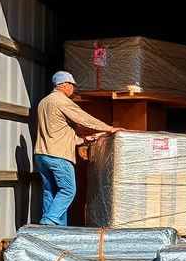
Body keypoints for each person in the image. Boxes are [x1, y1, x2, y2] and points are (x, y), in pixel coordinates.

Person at [34, 71, 122, 226]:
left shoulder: (43, 102)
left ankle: (54, 228)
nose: (73, 89)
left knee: (51, 191)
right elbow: (83, 118)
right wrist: (108, 128)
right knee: (68, 190)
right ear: (65, 85)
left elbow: (55, 131)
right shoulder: (61, 101)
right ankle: (49, 221)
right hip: (58, 155)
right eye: (72, 86)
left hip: (42, 154)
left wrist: (82, 139)